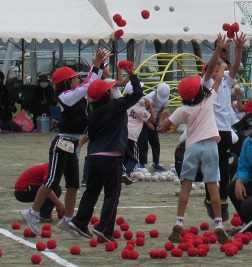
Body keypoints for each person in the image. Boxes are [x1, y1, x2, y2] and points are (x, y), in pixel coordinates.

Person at [21, 47, 108, 237]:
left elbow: (93, 86)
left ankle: (68, 220)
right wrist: (95, 67)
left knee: (73, 184)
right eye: (75, 77)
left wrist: (101, 66)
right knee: (52, 180)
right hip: (62, 143)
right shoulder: (65, 97)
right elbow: (87, 86)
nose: (78, 79)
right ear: (67, 82)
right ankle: (33, 213)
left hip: (73, 144)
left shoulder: (76, 93)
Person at [68, 65, 143, 241]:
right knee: (112, 193)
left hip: (93, 157)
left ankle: (80, 221)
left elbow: (91, 135)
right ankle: (104, 227)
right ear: (106, 95)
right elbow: (138, 94)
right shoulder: (116, 106)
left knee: (92, 191)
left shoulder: (93, 113)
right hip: (111, 157)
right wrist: (133, 77)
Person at [156, 75, 230, 244]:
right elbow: (217, 81)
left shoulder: (183, 109)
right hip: (211, 146)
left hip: (192, 147)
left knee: (186, 186)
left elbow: (162, 127)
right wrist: (223, 68)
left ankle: (179, 221)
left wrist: (162, 117)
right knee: (212, 187)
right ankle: (218, 223)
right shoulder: (208, 100)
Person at [202, 33, 245, 220]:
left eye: (221, 68)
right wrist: (218, 50)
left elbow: (234, 67)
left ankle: (223, 199)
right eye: (215, 68)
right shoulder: (206, 83)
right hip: (210, 130)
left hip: (225, 130)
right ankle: (210, 199)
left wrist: (240, 48)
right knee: (209, 166)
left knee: (224, 166)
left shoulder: (227, 81)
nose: (219, 70)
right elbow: (212, 66)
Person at [137, 83, 169, 172]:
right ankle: (142, 163)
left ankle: (156, 163)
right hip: (144, 120)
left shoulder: (165, 98)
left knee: (155, 142)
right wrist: (147, 123)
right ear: (156, 91)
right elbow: (141, 111)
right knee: (143, 141)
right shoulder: (149, 97)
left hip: (154, 120)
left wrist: (160, 122)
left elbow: (161, 110)